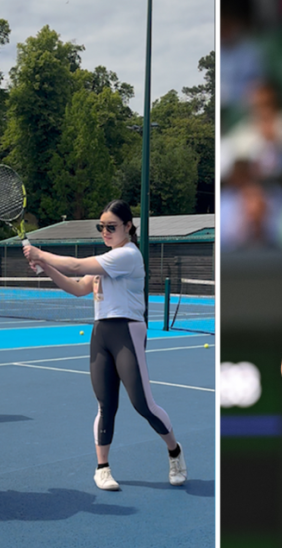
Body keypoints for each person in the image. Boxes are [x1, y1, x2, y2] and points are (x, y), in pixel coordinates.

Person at [22, 200, 186, 491]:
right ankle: (102, 468)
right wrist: (44, 266)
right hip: (101, 333)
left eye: (111, 226)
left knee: (143, 404)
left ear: (128, 227)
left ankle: (174, 451)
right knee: (105, 404)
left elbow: (75, 264)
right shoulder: (106, 259)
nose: (105, 231)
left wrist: (40, 253)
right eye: (101, 227)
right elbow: (77, 287)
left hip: (127, 333)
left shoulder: (128, 256)